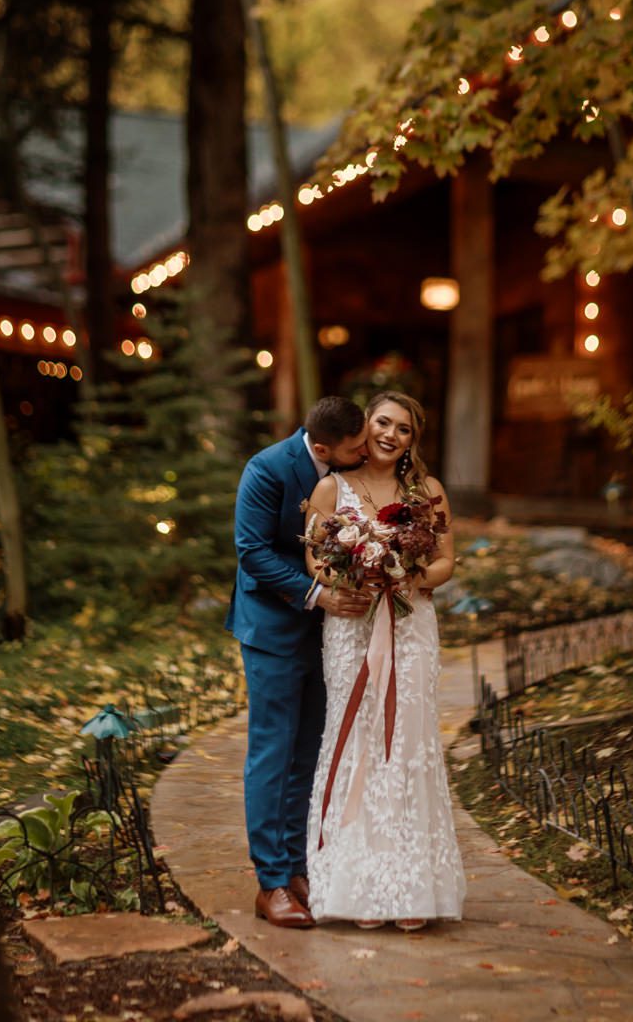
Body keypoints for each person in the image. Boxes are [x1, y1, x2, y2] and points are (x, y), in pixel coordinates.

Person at [304, 391, 466, 930]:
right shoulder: (331, 487)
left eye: (404, 429)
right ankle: (357, 885)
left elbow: (445, 560)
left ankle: (409, 886)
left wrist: (409, 576)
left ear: (413, 441)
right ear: (365, 424)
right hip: (351, 626)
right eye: (382, 422)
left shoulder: (427, 491)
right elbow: (314, 556)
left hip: (410, 625)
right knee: (356, 741)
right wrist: (349, 575)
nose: (390, 434)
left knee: (407, 744)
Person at [228, 396, 372, 930]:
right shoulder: (266, 469)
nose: (364, 454)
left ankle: (294, 869)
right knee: (272, 752)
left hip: (326, 634)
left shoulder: (343, 473)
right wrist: (319, 594)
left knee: (308, 752)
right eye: (355, 447)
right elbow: (253, 552)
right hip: (273, 629)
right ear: (320, 447)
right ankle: (269, 884)